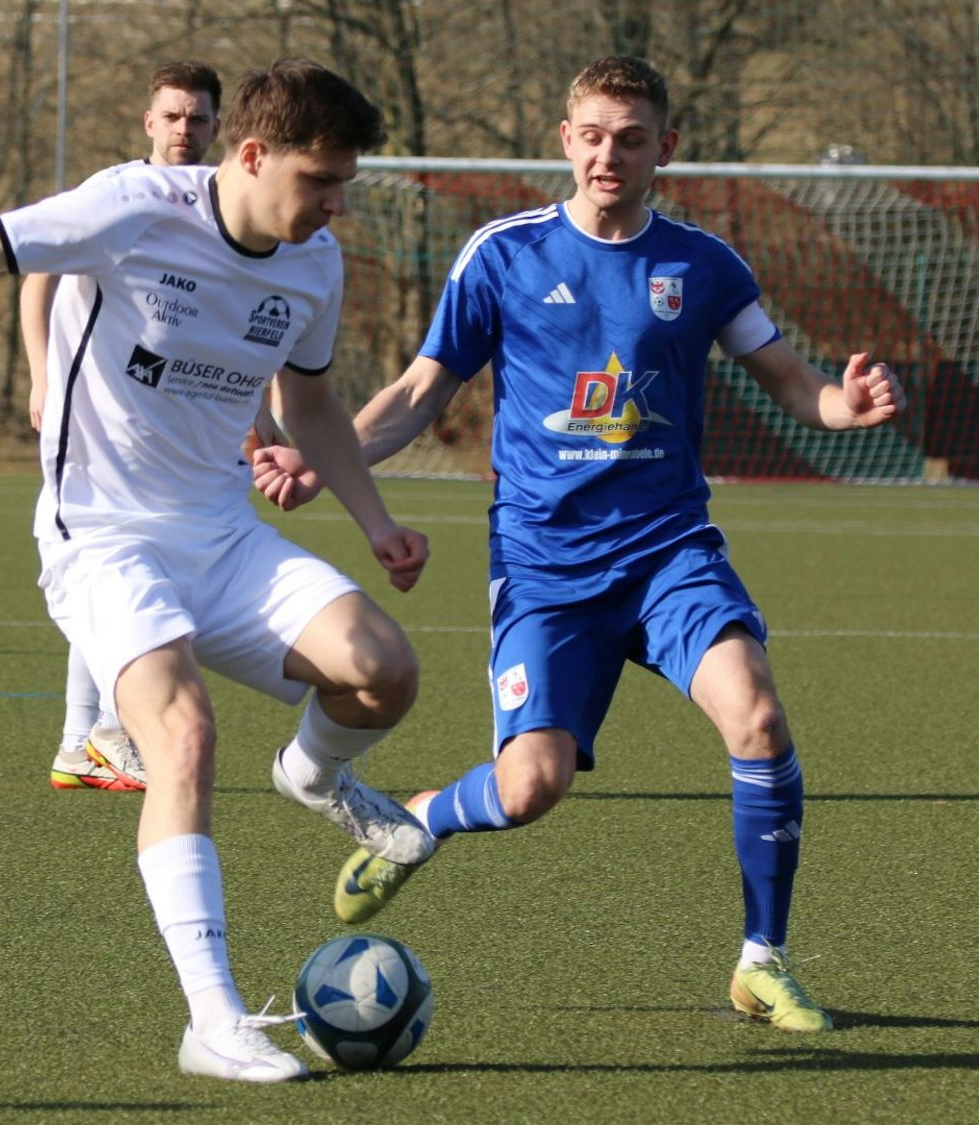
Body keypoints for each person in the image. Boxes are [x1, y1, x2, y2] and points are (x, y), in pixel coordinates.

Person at [0, 59, 434, 1083]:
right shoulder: (131, 208)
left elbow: (312, 404)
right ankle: (211, 1019)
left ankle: (313, 774)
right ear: (250, 157)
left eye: (342, 183)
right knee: (181, 734)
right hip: (100, 535)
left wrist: (373, 518)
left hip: (220, 535)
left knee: (385, 670)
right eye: (320, 180)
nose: (335, 203)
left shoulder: (314, 263)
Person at [255, 55, 906, 1034]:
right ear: (565, 140)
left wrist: (838, 405)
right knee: (530, 789)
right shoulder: (501, 256)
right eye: (592, 135)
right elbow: (418, 394)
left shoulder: (702, 264)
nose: (609, 154)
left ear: (664, 150)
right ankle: (422, 824)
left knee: (758, 721)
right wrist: (323, 457)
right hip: (546, 570)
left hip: (668, 556)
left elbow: (782, 375)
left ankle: (761, 960)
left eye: (631, 138)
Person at [20, 59, 223, 794]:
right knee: (127, 565)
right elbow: (36, 273)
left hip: (170, 424)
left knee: (130, 564)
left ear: (216, 126)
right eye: (172, 116)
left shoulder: (217, 205)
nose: (184, 129)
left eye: (197, 118)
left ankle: (83, 741)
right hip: (95, 422)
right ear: (148, 121)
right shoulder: (111, 193)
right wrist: (43, 374)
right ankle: (113, 729)